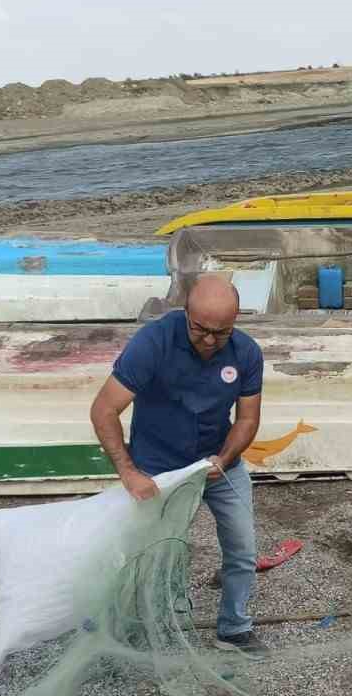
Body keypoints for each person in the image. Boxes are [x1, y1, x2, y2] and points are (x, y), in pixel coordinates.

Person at [88, 274, 267, 654]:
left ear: (235, 322)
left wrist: (225, 458)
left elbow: (248, 419)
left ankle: (233, 629)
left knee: (242, 548)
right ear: (186, 312)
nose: (209, 341)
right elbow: (104, 409)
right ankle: (156, 621)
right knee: (157, 552)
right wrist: (128, 472)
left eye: (221, 333)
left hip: (218, 464)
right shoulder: (153, 343)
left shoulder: (247, 353)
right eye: (200, 330)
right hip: (159, 469)